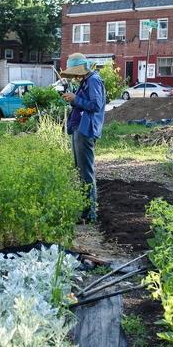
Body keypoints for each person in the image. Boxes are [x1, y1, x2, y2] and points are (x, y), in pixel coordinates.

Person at [61, 53, 106, 222]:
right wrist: (73, 99)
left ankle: (91, 214)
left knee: (86, 172)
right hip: (80, 128)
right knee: (80, 171)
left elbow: (96, 105)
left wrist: (75, 98)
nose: (74, 75)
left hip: (86, 130)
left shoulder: (93, 80)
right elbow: (83, 102)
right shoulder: (86, 81)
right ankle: (85, 212)